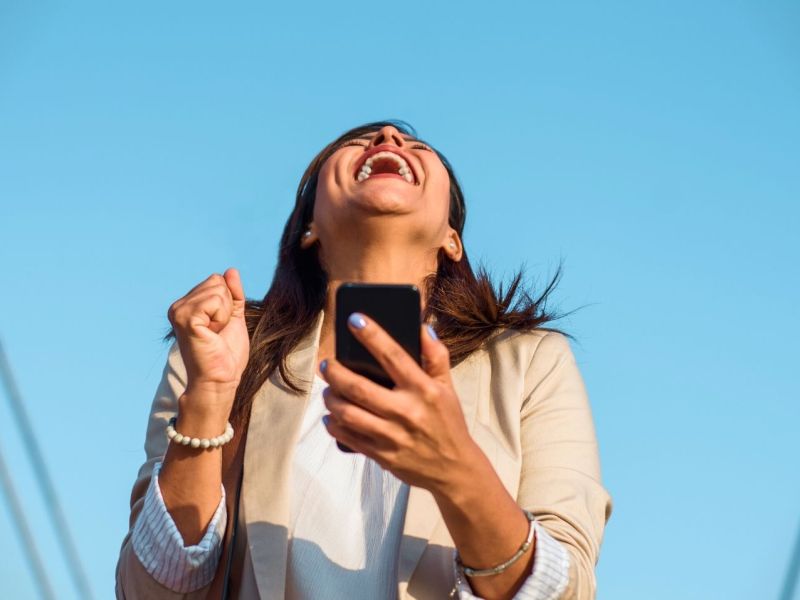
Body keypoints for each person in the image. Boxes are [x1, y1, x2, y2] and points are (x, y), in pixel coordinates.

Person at [115, 120, 613, 600]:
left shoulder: (530, 363)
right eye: (356, 142)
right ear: (309, 229)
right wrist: (209, 397)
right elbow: (150, 592)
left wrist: (457, 469)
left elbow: (564, 589)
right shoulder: (220, 350)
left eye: (417, 146)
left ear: (451, 239)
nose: (389, 138)